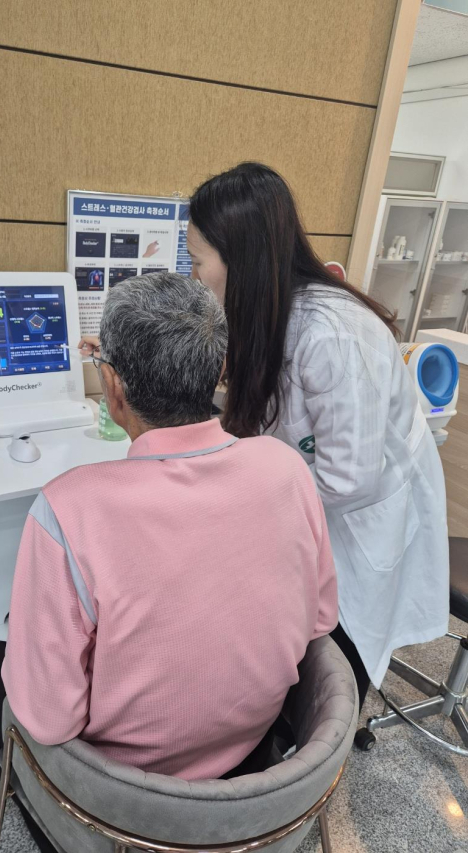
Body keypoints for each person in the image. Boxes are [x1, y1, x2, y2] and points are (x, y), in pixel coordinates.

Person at [0, 272, 338, 848]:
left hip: (121, 804)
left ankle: (49, 817)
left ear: (112, 386)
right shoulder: (285, 469)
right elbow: (319, 619)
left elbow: (49, 719)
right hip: (257, 779)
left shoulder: (67, 509)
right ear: (219, 369)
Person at [185, 162, 449, 704]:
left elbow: (348, 478)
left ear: (241, 260)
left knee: (336, 659)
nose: (194, 277)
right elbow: (270, 405)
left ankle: (329, 730)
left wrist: (249, 496)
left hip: (362, 513)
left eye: (196, 262)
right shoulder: (269, 311)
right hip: (321, 502)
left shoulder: (334, 335)